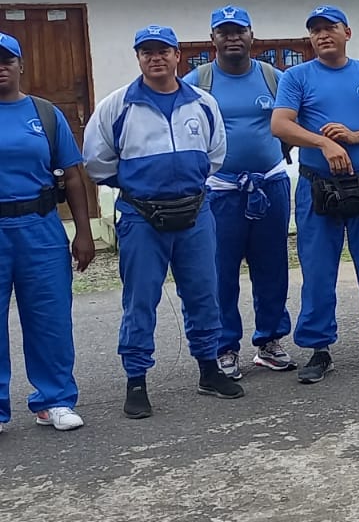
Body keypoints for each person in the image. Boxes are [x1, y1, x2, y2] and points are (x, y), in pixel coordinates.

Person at [83, 25, 242, 418]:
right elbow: (97, 162)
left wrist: (180, 185)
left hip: (195, 214)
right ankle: (136, 380)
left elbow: (215, 155)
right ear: (138, 58)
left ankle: (209, 369)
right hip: (141, 217)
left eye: (163, 51)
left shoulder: (203, 103)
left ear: (177, 56)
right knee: (140, 300)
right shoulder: (117, 106)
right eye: (147, 52)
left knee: (204, 294)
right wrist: (141, 186)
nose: (155, 58)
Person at [270, 5, 359, 384]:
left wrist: (354, 137)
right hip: (318, 185)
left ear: (347, 32)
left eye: (329, 27)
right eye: (315, 30)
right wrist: (324, 143)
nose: (322, 35)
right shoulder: (297, 77)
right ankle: (318, 349)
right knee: (317, 270)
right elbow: (280, 124)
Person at [182, 6, 295, 380]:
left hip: (269, 186)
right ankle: (224, 347)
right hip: (220, 191)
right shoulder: (197, 81)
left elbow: (293, 122)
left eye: (239, 31)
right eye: (224, 32)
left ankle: (270, 342)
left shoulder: (273, 77)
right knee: (221, 271)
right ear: (212, 38)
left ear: (251, 35)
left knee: (272, 267)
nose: (232, 38)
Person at [0, 32, 95, 433]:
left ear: (21, 65)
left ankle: (54, 400)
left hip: (40, 228)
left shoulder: (45, 114)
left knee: (49, 317)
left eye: (6, 60)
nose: (0, 67)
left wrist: (84, 232)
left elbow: (72, 176)